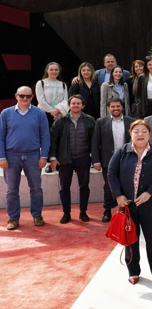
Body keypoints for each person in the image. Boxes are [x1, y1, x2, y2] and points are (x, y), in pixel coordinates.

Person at [108, 119, 152, 284]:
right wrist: (118, 195)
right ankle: (133, 271)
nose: (140, 134)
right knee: (131, 238)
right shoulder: (122, 151)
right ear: (130, 134)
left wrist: (150, 192)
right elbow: (112, 173)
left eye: (144, 131)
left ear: (149, 134)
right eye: (136, 131)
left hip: (149, 204)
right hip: (128, 205)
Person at [1, 86, 50, 230]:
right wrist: (1, 157)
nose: (24, 99)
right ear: (16, 96)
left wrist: (44, 156)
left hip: (33, 155)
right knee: (11, 190)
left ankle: (37, 215)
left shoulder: (39, 113)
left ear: (32, 97)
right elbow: (0, 137)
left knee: (36, 188)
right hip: (11, 156)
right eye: (22, 96)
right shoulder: (6, 113)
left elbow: (45, 136)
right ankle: (13, 218)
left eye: (28, 96)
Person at [49, 95, 95, 224]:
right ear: (69, 105)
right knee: (64, 187)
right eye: (73, 103)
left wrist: (94, 157)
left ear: (83, 105)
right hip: (65, 159)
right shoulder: (61, 121)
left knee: (84, 186)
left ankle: (83, 212)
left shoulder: (89, 120)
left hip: (83, 158)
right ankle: (66, 213)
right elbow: (52, 140)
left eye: (78, 103)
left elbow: (95, 140)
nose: (75, 105)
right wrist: (53, 158)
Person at [92, 99, 135, 222]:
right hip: (107, 160)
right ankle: (107, 211)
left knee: (127, 185)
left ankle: (127, 210)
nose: (115, 108)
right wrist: (96, 161)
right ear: (108, 108)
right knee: (109, 186)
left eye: (118, 106)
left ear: (122, 107)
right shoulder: (101, 122)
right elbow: (95, 142)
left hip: (127, 159)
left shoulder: (131, 121)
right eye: (113, 106)